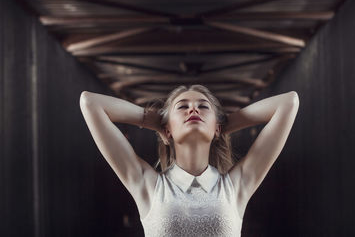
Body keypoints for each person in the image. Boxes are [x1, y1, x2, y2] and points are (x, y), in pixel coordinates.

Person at [79, 84, 299, 236]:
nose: (193, 108)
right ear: (166, 131)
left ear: (217, 129)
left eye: (203, 106)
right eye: (182, 106)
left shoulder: (236, 186)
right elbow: (90, 103)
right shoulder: (148, 186)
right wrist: (154, 120)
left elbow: (289, 102)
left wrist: (223, 124)